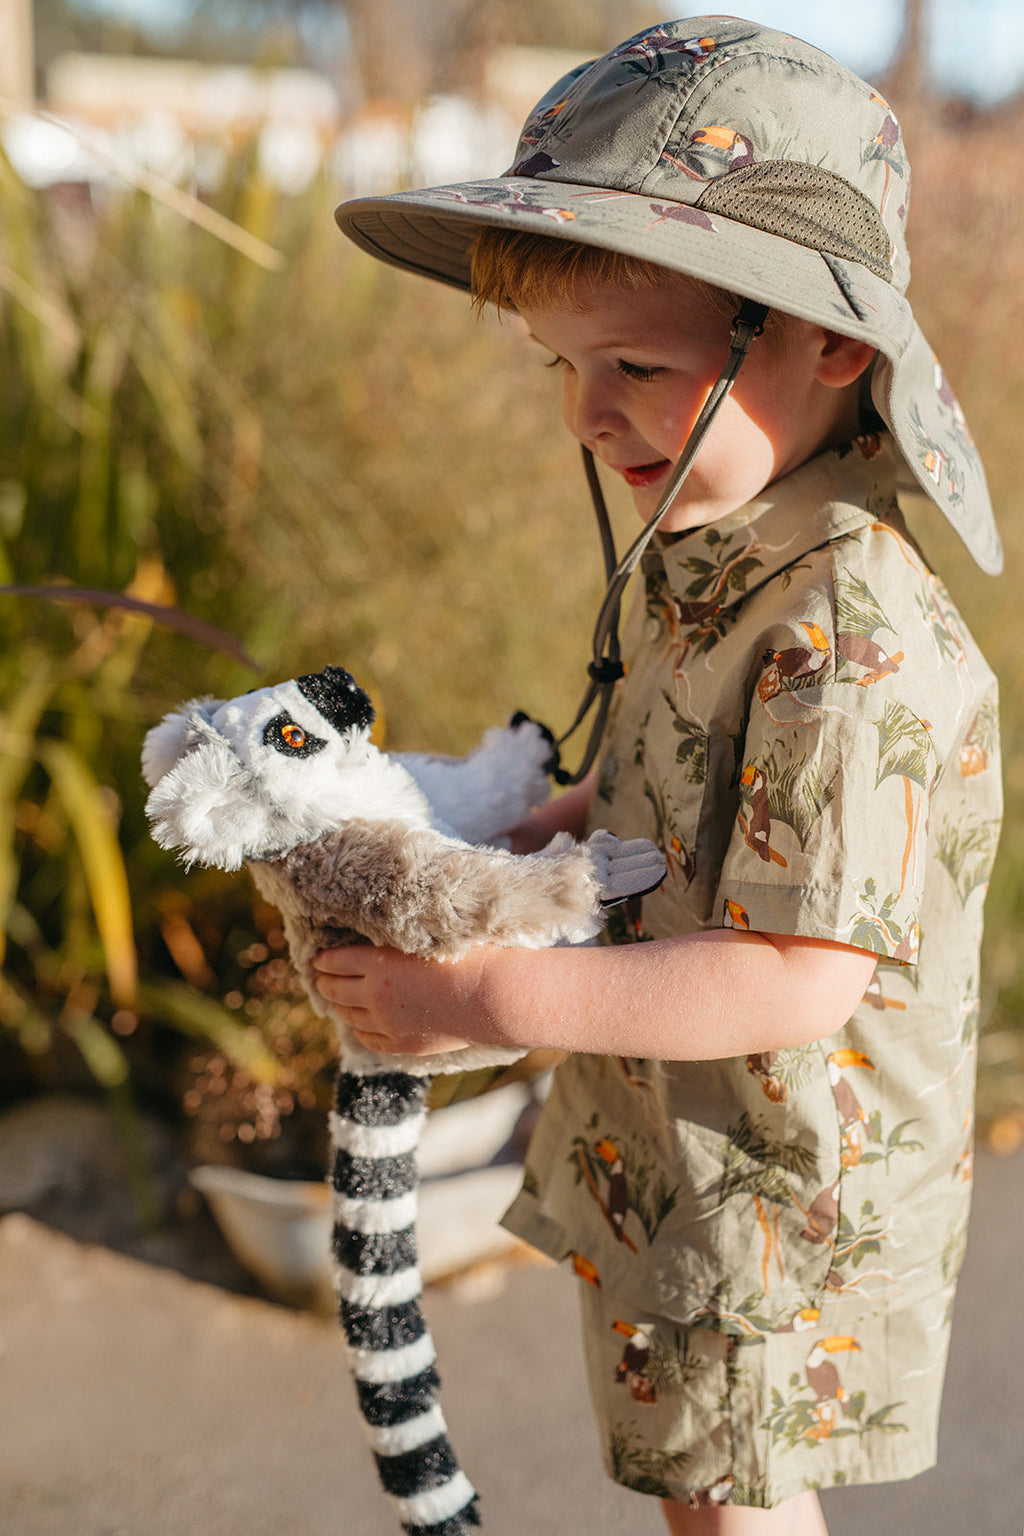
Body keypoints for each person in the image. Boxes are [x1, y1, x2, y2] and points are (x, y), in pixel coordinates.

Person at [317, 18, 1002, 1533]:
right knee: (699, 1494)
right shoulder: (707, 552)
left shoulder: (849, 629)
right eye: (564, 364)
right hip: (669, 1157)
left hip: (768, 1199)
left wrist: (487, 1003)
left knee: (733, 1507)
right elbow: (661, 790)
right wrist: (509, 833)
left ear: (831, 343)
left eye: (636, 364)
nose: (586, 411)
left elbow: (794, 976)